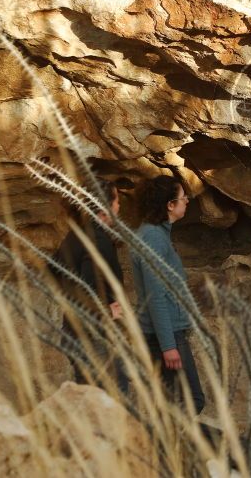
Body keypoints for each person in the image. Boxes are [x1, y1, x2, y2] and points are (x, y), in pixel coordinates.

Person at [131, 175, 205, 413]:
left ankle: (165, 448)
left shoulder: (157, 233)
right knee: (191, 401)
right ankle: (165, 449)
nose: (187, 202)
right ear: (169, 205)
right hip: (164, 335)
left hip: (166, 333)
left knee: (170, 404)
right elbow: (156, 296)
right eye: (183, 198)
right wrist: (168, 346)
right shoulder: (152, 237)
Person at [50, 178, 127, 394]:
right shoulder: (98, 239)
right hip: (94, 336)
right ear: (105, 207)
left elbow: (52, 271)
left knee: (91, 402)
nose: (119, 207)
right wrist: (106, 309)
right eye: (117, 201)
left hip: (74, 330)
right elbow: (89, 285)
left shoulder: (77, 234)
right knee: (113, 399)